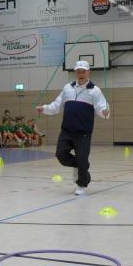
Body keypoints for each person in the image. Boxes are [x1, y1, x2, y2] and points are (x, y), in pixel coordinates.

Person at [37, 60, 110, 196]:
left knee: (82, 159)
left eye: (83, 71)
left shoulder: (94, 90)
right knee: (61, 155)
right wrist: (44, 108)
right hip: (66, 131)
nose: (81, 74)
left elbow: (102, 107)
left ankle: (82, 184)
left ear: (88, 72)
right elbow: (56, 105)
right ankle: (82, 165)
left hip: (83, 133)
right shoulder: (67, 88)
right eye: (78, 71)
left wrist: (105, 112)